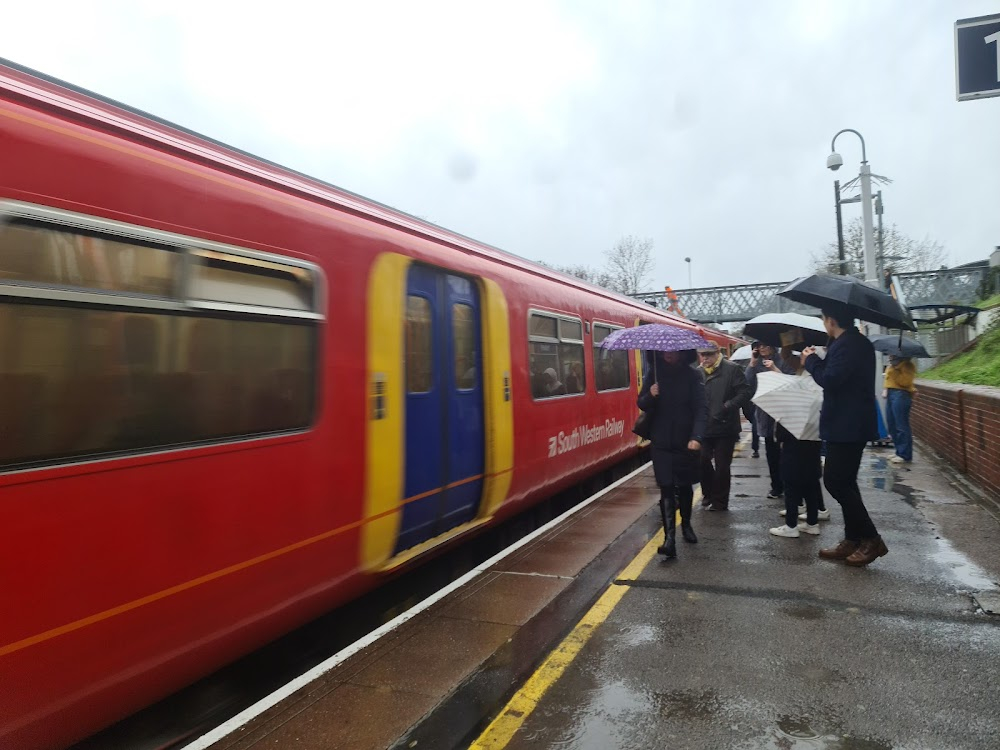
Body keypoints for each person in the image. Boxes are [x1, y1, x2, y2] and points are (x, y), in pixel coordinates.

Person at [802, 306, 888, 567]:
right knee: (846, 482)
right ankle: (852, 539)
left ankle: (871, 538)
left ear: (830, 320)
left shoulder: (851, 344)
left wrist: (811, 362)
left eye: (823, 319)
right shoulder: (846, 343)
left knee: (835, 482)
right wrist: (821, 355)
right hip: (847, 424)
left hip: (849, 425)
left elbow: (831, 379)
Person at [637, 349, 707, 558]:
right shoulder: (654, 374)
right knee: (666, 487)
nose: (668, 354)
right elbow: (641, 403)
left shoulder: (693, 375)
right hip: (661, 441)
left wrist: (697, 437)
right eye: (664, 351)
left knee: (684, 486)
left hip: (686, 441)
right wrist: (651, 394)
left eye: (673, 351)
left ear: (683, 354)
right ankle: (669, 540)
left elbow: (701, 409)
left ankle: (686, 524)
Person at [763, 352, 830, 539]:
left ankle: (791, 525)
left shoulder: (801, 382)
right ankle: (811, 522)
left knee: (791, 482)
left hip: (795, 437)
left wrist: (780, 435)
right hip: (814, 437)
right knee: (810, 482)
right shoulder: (817, 380)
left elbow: (790, 411)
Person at [697, 341, 752, 511]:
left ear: (717, 353)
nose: (705, 358)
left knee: (722, 466)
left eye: (708, 354)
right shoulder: (698, 373)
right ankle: (708, 493)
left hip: (725, 427)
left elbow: (745, 392)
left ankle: (720, 502)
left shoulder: (732, 369)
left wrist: (727, 406)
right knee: (702, 461)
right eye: (702, 354)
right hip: (704, 426)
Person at [746, 342, 792, 499]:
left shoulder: (783, 360)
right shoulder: (757, 363)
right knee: (771, 454)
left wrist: (774, 368)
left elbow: (789, 382)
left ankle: (788, 485)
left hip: (783, 413)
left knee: (785, 454)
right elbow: (747, 383)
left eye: (765, 345)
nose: (762, 348)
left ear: (773, 347)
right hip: (765, 412)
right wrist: (752, 363)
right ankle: (776, 487)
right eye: (759, 346)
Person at [883, 355, 916, 463]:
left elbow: (905, 382)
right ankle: (898, 450)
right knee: (891, 423)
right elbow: (888, 380)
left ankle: (905, 454)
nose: (890, 356)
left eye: (892, 355)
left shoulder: (907, 366)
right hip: (891, 394)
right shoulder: (891, 365)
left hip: (901, 394)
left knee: (901, 424)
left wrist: (895, 370)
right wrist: (885, 390)